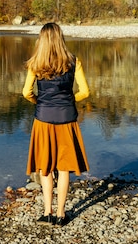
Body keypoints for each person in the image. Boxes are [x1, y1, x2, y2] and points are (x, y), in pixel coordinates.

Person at [22, 22, 90, 226]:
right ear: (61, 39)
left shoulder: (35, 63)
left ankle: (47, 212)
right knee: (64, 167)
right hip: (67, 119)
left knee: (45, 167)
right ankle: (61, 215)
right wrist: (69, 101)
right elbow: (85, 92)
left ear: (41, 41)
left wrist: (40, 102)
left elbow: (26, 93)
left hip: (43, 119)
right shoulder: (73, 61)